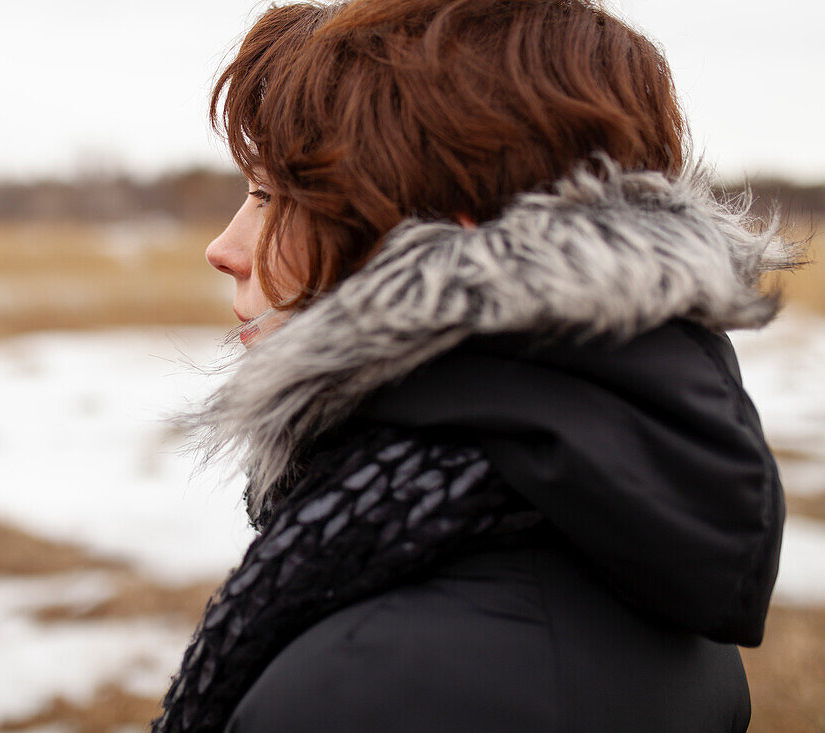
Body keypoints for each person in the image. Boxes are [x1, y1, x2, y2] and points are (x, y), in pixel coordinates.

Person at [152, 0, 801, 730]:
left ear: (448, 246)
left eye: (272, 195)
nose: (224, 247)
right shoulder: (629, 520)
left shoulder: (373, 688)